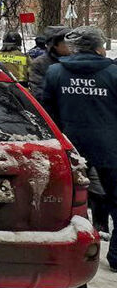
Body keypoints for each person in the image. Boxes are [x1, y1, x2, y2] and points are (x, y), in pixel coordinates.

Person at [42, 26, 117, 271]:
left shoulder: (56, 72)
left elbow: (48, 112)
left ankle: (62, 252)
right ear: (98, 47)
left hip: (70, 146)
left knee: (66, 200)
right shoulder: (113, 74)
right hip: (110, 146)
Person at [29, 26, 70, 101]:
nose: (70, 45)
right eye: (66, 42)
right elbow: (39, 93)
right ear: (54, 45)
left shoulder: (77, 61)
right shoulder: (39, 64)